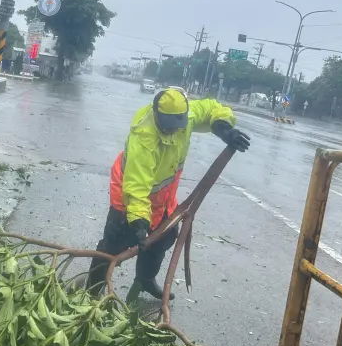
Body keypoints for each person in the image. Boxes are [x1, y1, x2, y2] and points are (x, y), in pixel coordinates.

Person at [87, 88, 250, 300]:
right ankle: (92, 290)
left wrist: (224, 128)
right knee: (115, 242)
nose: (172, 132)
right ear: (156, 116)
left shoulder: (187, 116)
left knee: (163, 238)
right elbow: (136, 187)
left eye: (176, 127)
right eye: (166, 127)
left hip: (162, 196)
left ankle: (144, 280)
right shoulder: (144, 138)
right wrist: (138, 221)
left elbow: (211, 108)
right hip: (128, 194)